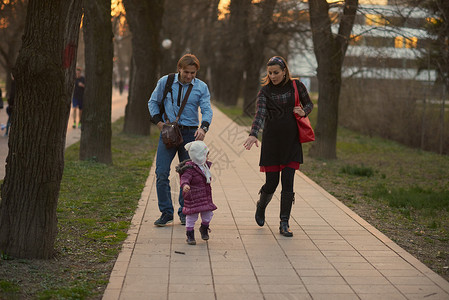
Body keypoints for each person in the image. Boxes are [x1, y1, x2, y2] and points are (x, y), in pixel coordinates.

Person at [243, 56, 313, 237]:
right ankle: (261, 205)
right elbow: (260, 114)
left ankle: (284, 222)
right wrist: (253, 133)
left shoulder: (297, 86)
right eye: (270, 73)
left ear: (284, 71)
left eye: (276, 72)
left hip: (292, 142)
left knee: (288, 181)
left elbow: (309, 103)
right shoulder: (265, 92)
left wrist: (303, 111)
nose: (273, 76)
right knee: (272, 182)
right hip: (272, 141)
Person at [148, 54, 213, 227]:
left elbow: (207, 109)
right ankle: (166, 213)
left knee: (189, 176)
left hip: (190, 134)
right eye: (186, 72)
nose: (189, 76)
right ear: (179, 69)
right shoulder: (166, 81)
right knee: (161, 172)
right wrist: (159, 122)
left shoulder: (201, 87)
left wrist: (203, 127)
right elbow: (152, 102)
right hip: (169, 133)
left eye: (193, 73)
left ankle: (185, 211)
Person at [176, 141, 216, 245]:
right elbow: (184, 178)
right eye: (205, 155)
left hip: (205, 197)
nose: (207, 157)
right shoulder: (189, 169)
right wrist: (185, 185)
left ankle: (204, 228)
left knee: (208, 214)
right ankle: (190, 235)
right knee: (191, 217)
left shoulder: (204, 166)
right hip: (193, 198)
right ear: (199, 156)